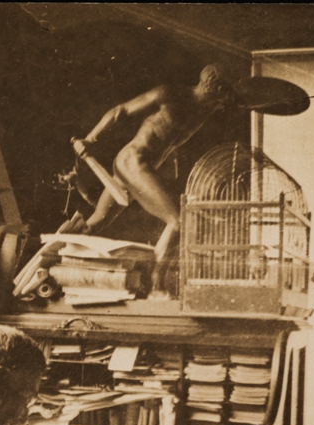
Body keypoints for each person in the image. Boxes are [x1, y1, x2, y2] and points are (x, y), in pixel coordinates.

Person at [72, 64, 236, 292]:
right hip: (133, 161)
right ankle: (155, 285)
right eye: (225, 92)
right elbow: (121, 110)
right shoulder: (170, 94)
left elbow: (249, 99)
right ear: (215, 87)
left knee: (97, 221)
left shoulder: (208, 107)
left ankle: (59, 258)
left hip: (143, 167)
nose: (226, 99)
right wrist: (90, 138)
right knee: (178, 221)